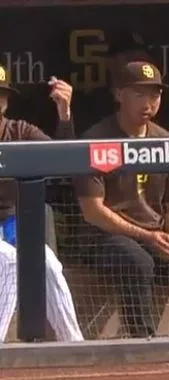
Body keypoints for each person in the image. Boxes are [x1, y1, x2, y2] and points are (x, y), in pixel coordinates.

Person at [73, 61, 169, 338]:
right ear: (118, 94)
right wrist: (149, 236)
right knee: (137, 261)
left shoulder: (165, 140)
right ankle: (143, 343)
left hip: (154, 235)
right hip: (103, 238)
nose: (149, 102)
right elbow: (93, 212)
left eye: (155, 94)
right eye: (139, 94)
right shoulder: (96, 138)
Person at [0, 66, 85, 342]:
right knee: (11, 261)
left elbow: (64, 164)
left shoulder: (20, 131)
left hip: (10, 226)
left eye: (0, 95)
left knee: (47, 262)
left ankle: (76, 348)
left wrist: (64, 115)